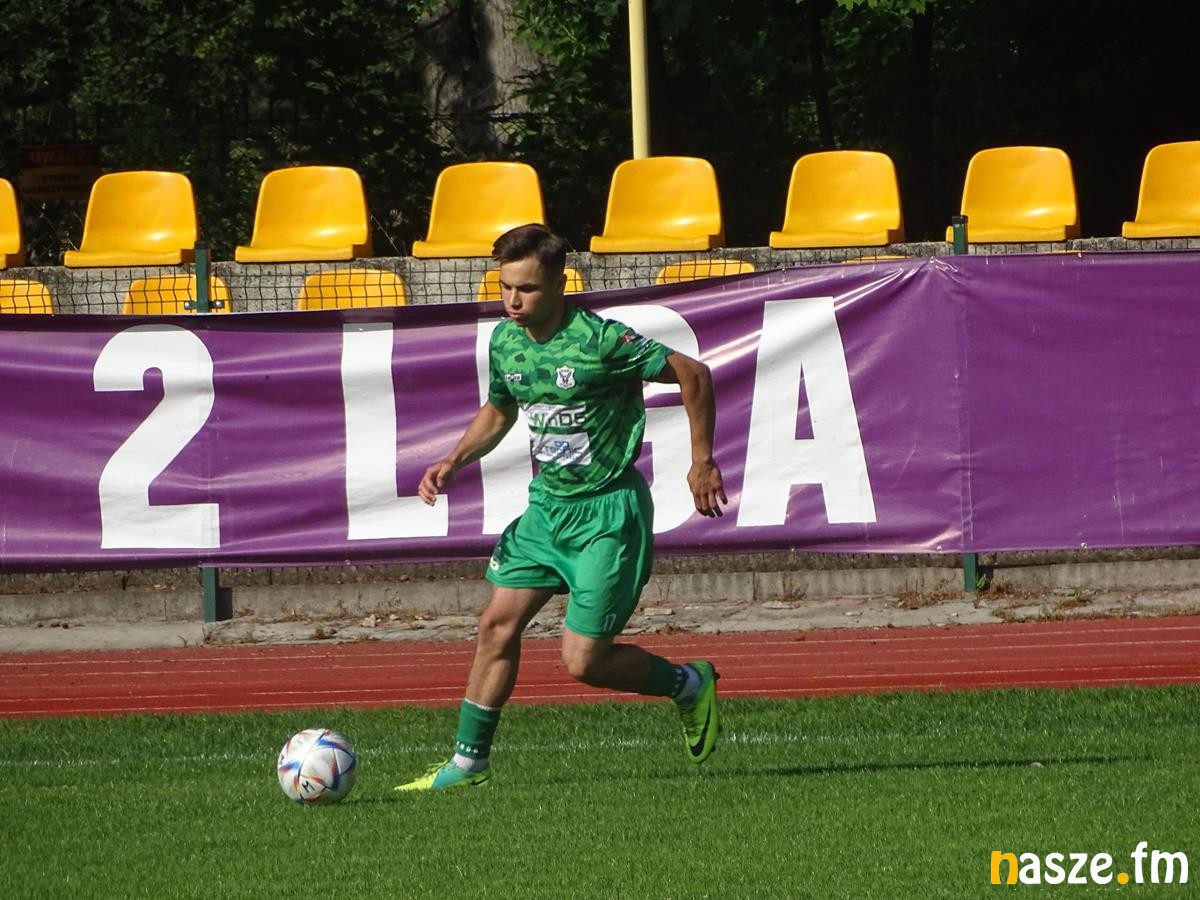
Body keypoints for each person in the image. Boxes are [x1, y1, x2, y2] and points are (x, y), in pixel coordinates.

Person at [396, 223, 728, 791]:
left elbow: (693, 375)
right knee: (495, 626)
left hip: (607, 515)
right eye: (506, 287)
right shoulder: (506, 341)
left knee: (584, 662)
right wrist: (454, 460)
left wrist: (702, 461)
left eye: (526, 289)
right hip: (547, 511)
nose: (513, 300)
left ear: (558, 284)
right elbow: (500, 409)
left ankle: (688, 684)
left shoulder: (601, 341)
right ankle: (468, 766)